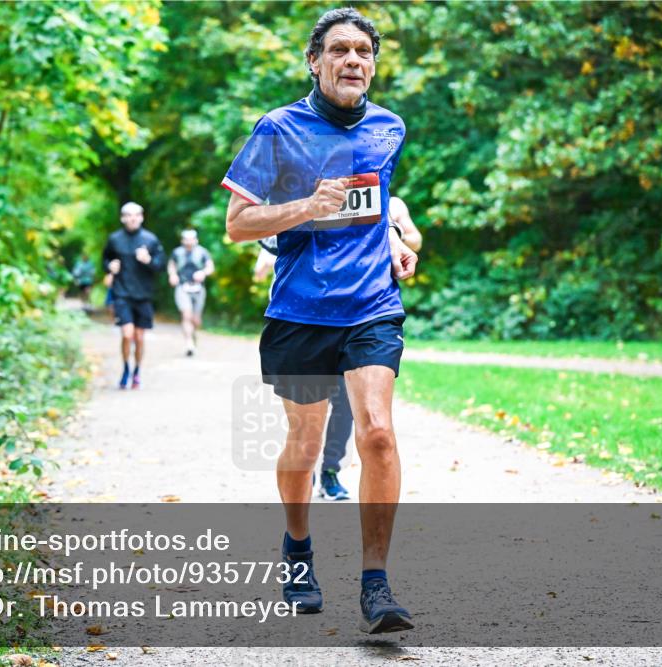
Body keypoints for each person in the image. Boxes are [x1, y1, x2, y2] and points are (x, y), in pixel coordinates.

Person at [223, 8, 417, 634]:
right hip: (301, 311)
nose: (353, 61)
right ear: (315, 60)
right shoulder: (278, 129)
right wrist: (308, 205)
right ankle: (299, 548)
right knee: (306, 447)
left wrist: (391, 237)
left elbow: (379, 201)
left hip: (371, 306)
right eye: (339, 50)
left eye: (364, 51)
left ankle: (376, 582)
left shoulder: (391, 128)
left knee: (378, 432)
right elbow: (237, 225)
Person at [318, 195, 423, 500]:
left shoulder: (394, 203)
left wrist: (394, 232)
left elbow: (414, 236)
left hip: (366, 313)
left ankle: (329, 471)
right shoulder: (325, 191)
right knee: (308, 409)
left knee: (345, 405)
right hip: (311, 314)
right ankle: (304, 468)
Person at [101, 202, 166, 389]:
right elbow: (105, 260)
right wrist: (109, 267)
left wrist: (148, 260)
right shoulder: (114, 239)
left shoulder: (150, 239)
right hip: (122, 293)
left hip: (144, 294)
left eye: (136, 215)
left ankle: (137, 370)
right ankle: (125, 368)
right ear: (122, 218)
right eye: (128, 215)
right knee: (127, 334)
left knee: (139, 337)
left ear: (142, 217)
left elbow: (161, 265)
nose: (132, 218)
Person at [168, 229, 215, 356]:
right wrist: (172, 275)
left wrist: (203, 273)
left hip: (198, 288)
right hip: (182, 287)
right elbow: (171, 265)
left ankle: (193, 335)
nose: (189, 242)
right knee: (186, 315)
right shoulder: (177, 252)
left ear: (196, 240)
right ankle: (189, 343)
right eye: (186, 239)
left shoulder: (202, 252)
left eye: (191, 239)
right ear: (182, 241)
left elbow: (210, 267)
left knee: (196, 320)